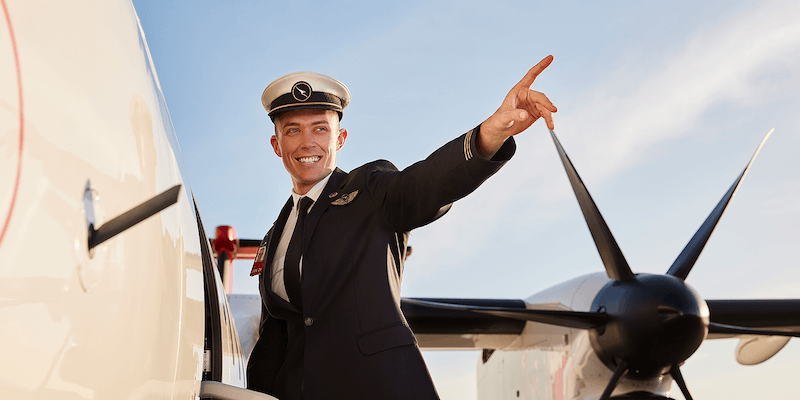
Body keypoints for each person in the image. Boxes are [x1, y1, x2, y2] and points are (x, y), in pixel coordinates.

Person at [246, 55, 557, 400]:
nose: (308, 143)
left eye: (320, 128)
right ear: (277, 145)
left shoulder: (369, 188)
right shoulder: (275, 236)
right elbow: (274, 341)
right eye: (293, 130)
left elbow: (426, 184)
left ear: (340, 138)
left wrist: (490, 133)